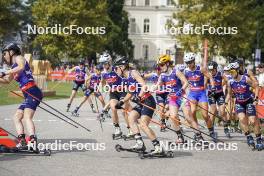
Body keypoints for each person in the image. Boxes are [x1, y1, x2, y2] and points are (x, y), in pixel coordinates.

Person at [114, 56, 163, 154]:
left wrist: (139, 96)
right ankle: (140, 143)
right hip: (141, 103)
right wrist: (121, 102)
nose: (115, 70)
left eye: (116, 68)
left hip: (148, 101)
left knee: (143, 125)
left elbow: (144, 85)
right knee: (131, 117)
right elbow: (130, 93)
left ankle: (158, 148)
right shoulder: (125, 79)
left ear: (122, 67)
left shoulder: (133, 73)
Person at [0, 43, 43, 149]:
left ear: (11, 52)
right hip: (28, 94)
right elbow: (7, 81)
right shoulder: (13, 67)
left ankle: (33, 141)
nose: (4, 56)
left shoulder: (19, 58)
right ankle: (22, 141)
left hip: (32, 90)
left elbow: (21, 67)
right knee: (16, 117)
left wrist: (5, 72)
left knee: (27, 117)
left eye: (5, 53)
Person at [226, 62, 263, 150]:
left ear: (237, 70)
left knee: (253, 120)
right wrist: (225, 102)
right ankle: (248, 136)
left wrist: (256, 99)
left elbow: (256, 86)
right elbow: (229, 94)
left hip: (249, 101)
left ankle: (258, 139)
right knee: (242, 119)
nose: (231, 74)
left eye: (233, 72)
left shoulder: (245, 79)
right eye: (230, 72)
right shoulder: (230, 82)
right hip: (239, 103)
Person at [183, 52, 217, 142]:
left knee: (205, 115)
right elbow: (184, 82)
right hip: (192, 93)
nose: (189, 64)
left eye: (190, 62)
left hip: (201, 93)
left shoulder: (201, 69)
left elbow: (210, 77)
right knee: (192, 112)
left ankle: (211, 131)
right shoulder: (186, 71)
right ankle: (197, 132)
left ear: (194, 61)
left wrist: (213, 87)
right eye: (187, 63)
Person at [156, 55, 189, 144]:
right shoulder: (162, 75)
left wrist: (180, 91)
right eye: (159, 65)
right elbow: (157, 86)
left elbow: (186, 82)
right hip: (172, 99)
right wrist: (147, 90)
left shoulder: (176, 72)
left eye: (162, 65)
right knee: (173, 116)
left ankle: (198, 135)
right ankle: (180, 137)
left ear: (167, 64)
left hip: (181, 97)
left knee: (189, 118)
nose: (160, 67)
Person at [99, 53, 132, 139]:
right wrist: (105, 87)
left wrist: (119, 87)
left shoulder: (116, 69)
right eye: (102, 63)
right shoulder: (103, 73)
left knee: (123, 110)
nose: (103, 65)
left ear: (109, 62)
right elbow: (103, 83)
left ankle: (130, 130)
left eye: (105, 63)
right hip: (113, 93)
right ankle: (117, 129)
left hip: (122, 92)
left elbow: (126, 80)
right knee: (113, 109)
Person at [207, 61, 230, 137]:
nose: (211, 72)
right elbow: (203, 84)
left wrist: (231, 87)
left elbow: (228, 81)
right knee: (213, 112)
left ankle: (226, 127)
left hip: (219, 94)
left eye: (213, 70)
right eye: (210, 70)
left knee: (222, 111)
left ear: (216, 69)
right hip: (211, 94)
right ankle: (212, 130)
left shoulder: (220, 74)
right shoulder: (208, 75)